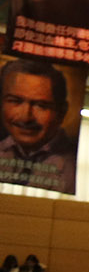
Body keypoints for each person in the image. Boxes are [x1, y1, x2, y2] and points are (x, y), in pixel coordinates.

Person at [0, 57, 77, 193]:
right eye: (15, 101)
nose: (26, 117)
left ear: (61, 112)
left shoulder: (69, 167)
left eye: (41, 106)